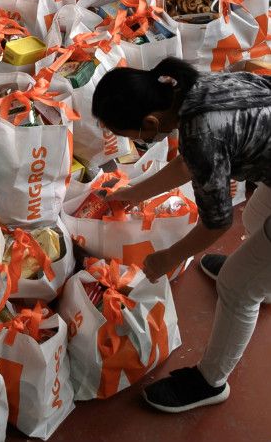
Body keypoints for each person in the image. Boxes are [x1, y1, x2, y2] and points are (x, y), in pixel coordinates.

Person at [91, 58, 271, 413]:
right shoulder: (194, 89)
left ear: (150, 124)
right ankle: (263, 275)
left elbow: (218, 222)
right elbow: (189, 162)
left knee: (236, 287)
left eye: (130, 136)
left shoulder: (201, 131)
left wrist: (167, 257)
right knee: (254, 216)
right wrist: (132, 193)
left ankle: (210, 382)